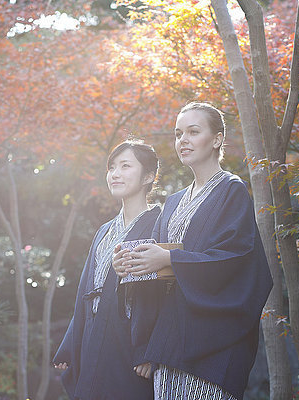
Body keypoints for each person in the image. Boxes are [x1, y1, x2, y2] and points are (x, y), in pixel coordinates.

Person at [113, 102, 272, 400]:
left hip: (213, 343)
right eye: (178, 134)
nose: (182, 140)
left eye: (193, 132)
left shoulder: (231, 190)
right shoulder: (172, 203)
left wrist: (170, 258)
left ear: (216, 139)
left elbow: (234, 259)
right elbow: (157, 267)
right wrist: (128, 264)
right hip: (169, 344)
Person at [53, 139, 162, 400]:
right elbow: (84, 292)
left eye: (125, 166)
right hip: (95, 331)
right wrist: (71, 344)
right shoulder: (104, 231)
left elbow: (168, 296)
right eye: (112, 167)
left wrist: (152, 350)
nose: (115, 174)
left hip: (130, 339)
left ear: (149, 176)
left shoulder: (160, 223)